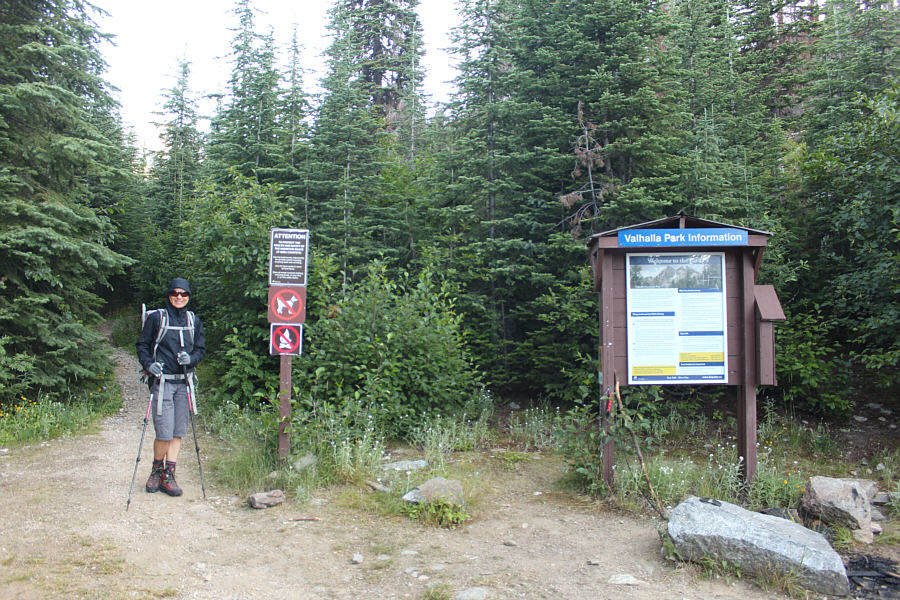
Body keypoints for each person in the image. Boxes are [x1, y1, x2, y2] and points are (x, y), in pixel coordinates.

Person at [136, 277, 206, 497]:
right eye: (175, 293)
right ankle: (156, 470)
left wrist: (191, 359)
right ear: (169, 295)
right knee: (164, 432)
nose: (179, 297)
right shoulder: (157, 318)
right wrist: (149, 365)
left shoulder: (193, 320)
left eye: (184, 294)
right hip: (163, 382)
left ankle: (169, 474)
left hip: (183, 383)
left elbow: (201, 349)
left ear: (188, 297)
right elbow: (143, 345)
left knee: (178, 431)